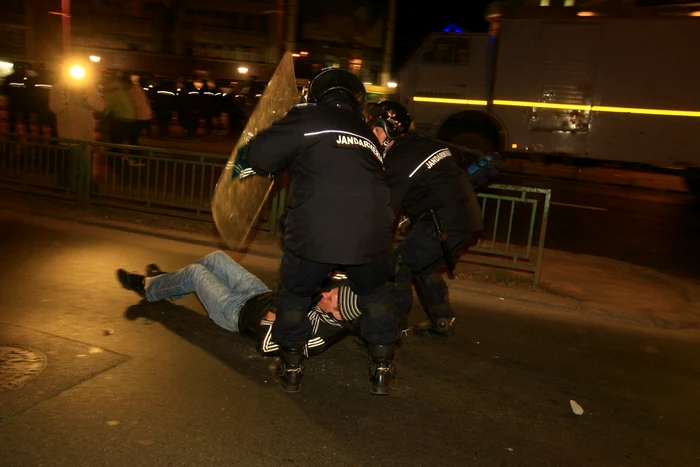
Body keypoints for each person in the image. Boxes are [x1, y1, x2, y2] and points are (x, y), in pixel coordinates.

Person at [237, 68, 397, 395]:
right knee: (376, 297)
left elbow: (261, 157)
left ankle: (292, 366)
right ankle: (382, 367)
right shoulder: (366, 133)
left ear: (316, 94)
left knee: (294, 297)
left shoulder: (308, 117)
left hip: (315, 232)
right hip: (371, 234)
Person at [364, 101, 484, 340]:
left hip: (442, 221)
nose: (371, 136)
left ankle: (391, 329)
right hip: (466, 219)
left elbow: (386, 209)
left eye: (374, 130)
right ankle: (441, 320)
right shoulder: (424, 144)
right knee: (424, 266)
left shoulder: (399, 159)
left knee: (398, 267)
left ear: (388, 132)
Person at [116, 251, 362, 358]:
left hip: (235, 312)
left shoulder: (315, 336)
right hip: (257, 293)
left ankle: (148, 287)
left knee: (195, 273)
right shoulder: (341, 300)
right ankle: (171, 284)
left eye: (332, 300)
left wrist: (275, 313)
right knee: (215, 258)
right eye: (334, 293)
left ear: (339, 316)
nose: (326, 295)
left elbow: (266, 346)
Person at [49, 66, 105, 191]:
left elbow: (101, 106)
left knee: (73, 163)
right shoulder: (57, 88)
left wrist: (86, 97)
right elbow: (55, 108)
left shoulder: (87, 86)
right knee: (82, 163)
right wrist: (67, 94)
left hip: (86, 132)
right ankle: (92, 190)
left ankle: (63, 185)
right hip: (70, 133)